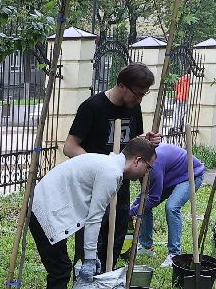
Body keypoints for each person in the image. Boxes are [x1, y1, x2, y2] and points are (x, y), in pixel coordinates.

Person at [29, 137, 157, 289]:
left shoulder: (108, 165)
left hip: (47, 207)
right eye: (148, 167)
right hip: (46, 210)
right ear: (137, 160)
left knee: (58, 269)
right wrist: (90, 256)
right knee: (60, 270)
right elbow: (95, 217)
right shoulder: (111, 172)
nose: (147, 173)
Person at [64, 62, 164, 264]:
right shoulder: (92, 107)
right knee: (92, 237)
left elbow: (133, 145)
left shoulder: (133, 108)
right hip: (93, 187)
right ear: (122, 86)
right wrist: (100, 167)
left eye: (143, 95)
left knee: (116, 237)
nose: (139, 99)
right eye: (137, 93)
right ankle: (85, 284)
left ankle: (106, 281)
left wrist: (147, 141)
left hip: (121, 185)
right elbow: (70, 147)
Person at [130, 142, 204, 263]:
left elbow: (154, 198)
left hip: (190, 174)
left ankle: (174, 254)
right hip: (170, 176)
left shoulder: (153, 165)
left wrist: (132, 211)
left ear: (138, 161)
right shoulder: (141, 163)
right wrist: (133, 206)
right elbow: (145, 194)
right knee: (144, 206)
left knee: (172, 207)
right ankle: (146, 246)